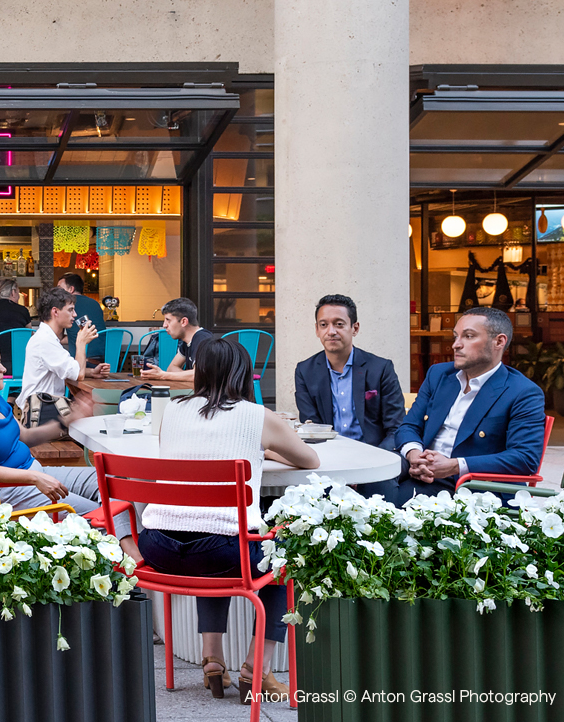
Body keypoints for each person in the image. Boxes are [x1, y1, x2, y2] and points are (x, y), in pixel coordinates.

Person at [135, 336, 320, 704]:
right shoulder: (258, 417)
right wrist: (262, 449)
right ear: (244, 375)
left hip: (158, 548)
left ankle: (212, 660)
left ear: (199, 372)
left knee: (213, 530)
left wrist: (255, 450)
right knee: (281, 553)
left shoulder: (172, 411)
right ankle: (258, 668)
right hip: (221, 551)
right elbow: (309, 460)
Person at [0, 334, 132, 541]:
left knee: (112, 480)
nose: (4, 369)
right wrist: (35, 478)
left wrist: (68, 421)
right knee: (100, 517)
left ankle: (128, 550)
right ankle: (130, 557)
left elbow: (27, 436)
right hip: (7, 491)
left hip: (34, 472)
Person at [395, 306, 546, 503]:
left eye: (468, 336)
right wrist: (414, 454)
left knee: (384, 504)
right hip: (421, 472)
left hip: (474, 486)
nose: (456, 345)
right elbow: (409, 426)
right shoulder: (439, 374)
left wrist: (454, 465)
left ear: (499, 341)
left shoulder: (522, 392)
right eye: (456, 336)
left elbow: (525, 458)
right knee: (369, 483)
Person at [294, 295, 405, 499]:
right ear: (317, 330)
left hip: (377, 456)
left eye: (339, 324)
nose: (331, 331)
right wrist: (340, 467)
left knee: (378, 488)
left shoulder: (380, 368)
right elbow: (313, 428)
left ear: (354, 328)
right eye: (324, 324)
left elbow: (395, 427)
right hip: (330, 459)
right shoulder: (305, 371)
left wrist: (369, 464)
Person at [15, 288, 110, 416]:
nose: (75, 314)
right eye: (70, 309)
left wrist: (92, 372)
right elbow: (78, 375)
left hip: (46, 407)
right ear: (55, 311)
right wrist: (81, 343)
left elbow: (68, 369)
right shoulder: (45, 341)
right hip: (40, 413)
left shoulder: (47, 338)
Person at [141, 297, 213, 388]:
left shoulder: (203, 340)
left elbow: (199, 375)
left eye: (168, 320)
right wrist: (188, 376)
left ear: (183, 322)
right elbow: (171, 368)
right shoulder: (187, 342)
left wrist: (162, 375)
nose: (164, 325)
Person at [0, 278, 32, 373]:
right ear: (13, 292)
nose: (19, 297)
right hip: (20, 367)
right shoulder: (22, 310)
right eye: (18, 293)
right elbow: (29, 337)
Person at [57, 273, 106, 364]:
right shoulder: (95, 304)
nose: (57, 292)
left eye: (60, 288)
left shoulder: (65, 305)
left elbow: (59, 338)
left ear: (71, 289)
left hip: (80, 361)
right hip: (104, 359)